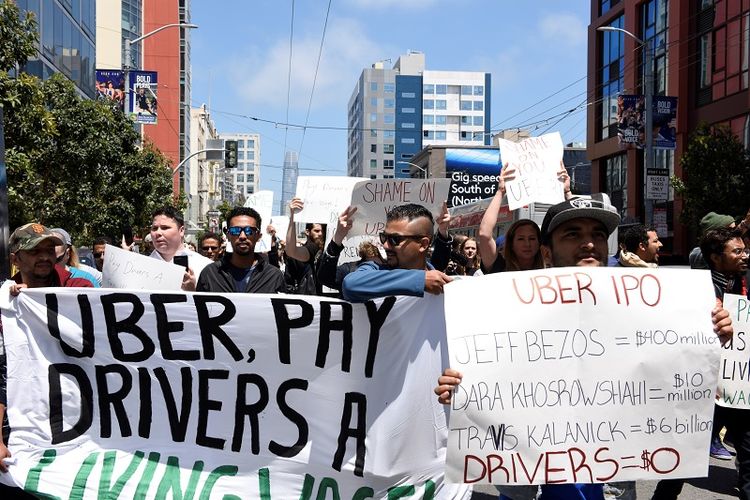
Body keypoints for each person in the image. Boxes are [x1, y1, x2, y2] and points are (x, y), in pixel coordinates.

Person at [435, 195, 734, 500]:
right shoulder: (507, 308)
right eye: (573, 234)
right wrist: (460, 389)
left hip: (605, 471)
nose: (589, 243)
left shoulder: (645, 306)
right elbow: (482, 375)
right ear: (547, 253)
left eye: (598, 235)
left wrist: (710, 336)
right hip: (526, 468)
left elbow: (668, 367)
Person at [342, 203, 452, 303]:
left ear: (423, 244)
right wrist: (420, 280)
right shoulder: (376, 270)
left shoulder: (439, 279)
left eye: (395, 239)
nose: (385, 245)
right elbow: (351, 284)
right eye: (384, 237)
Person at [479, 161, 572, 273]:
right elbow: (484, 234)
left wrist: (567, 192)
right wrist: (500, 192)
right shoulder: (499, 267)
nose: (527, 244)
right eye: (521, 239)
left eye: (532, 239)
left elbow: (576, 230)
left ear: (539, 243)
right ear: (511, 244)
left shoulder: (550, 268)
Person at [196, 207, 285, 293]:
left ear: (258, 236)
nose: (242, 236)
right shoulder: (210, 274)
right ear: (228, 235)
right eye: (235, 230)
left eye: (249, 230)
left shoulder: (273, 276)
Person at [149, 206, 211, 291]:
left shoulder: (205, 266)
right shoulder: (138, 267)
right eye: (154, 228)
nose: (158, 233)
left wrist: (193, 291)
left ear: (181, 231)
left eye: (165, 228)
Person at [284, 197, 326, 295]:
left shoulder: (329, 247)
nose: (320, 234)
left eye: (322, 230)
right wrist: (292, 217)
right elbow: (291, 251)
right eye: (316, 230)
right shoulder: (312, 248)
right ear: (307, 232)